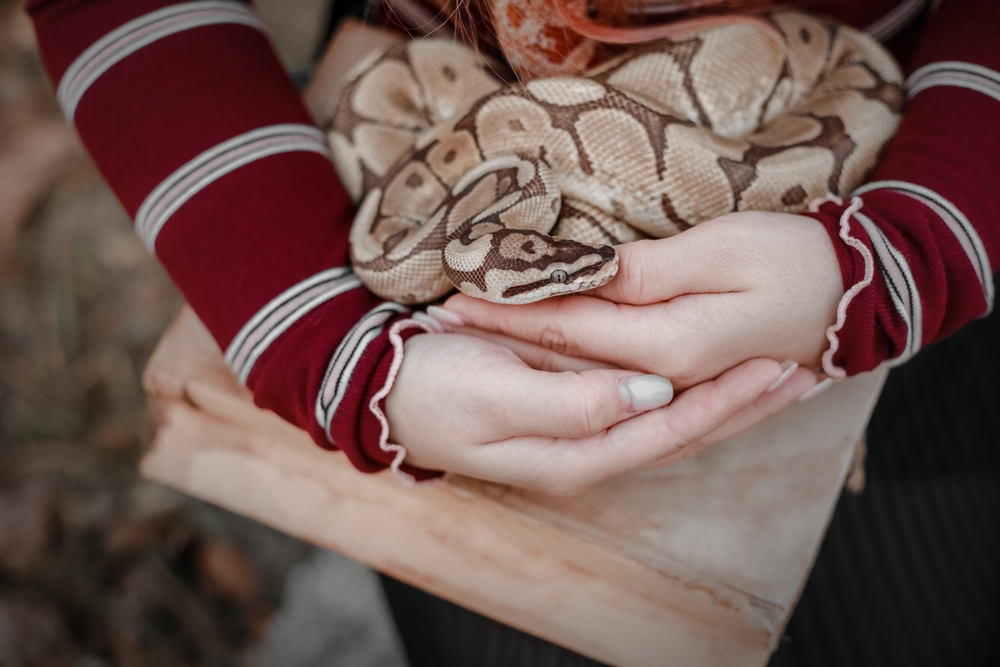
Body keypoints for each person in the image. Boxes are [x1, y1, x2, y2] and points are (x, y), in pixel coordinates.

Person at [26, 0, 999, 663]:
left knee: (916, 614)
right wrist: (337, 349)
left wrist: (910, 250)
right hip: (430, 315)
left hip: (904, 222)